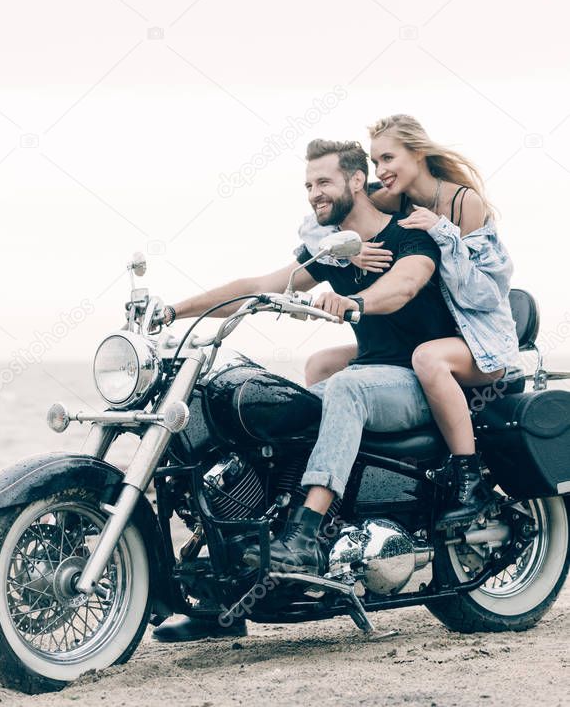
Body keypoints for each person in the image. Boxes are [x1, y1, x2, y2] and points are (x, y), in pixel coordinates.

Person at [153, 137, 457, 641]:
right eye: (309, 185)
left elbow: (404, 284)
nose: (314, 193)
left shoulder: (410, 236)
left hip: (418, 378)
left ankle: (306, 536)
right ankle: (223, 589)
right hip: (372, 375)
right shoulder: (336, 248)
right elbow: (262, 283)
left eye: (324, 182)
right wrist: (173, 310)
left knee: (344, 390)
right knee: (278, 410)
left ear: (356, 181)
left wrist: (355, 303)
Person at [303, 115, 519, 532]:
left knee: (426, 357)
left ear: (417, 153)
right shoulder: (391, 198)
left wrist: (443, 235)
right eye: (375, 160)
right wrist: (350, 254)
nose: (380, 171)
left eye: (389, 158)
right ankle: (339, 485)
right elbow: (329, 219)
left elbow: (485, 294)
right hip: (431, 334)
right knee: (325, 363)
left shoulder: (463, 203)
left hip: (476, 338)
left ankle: (468, 479)